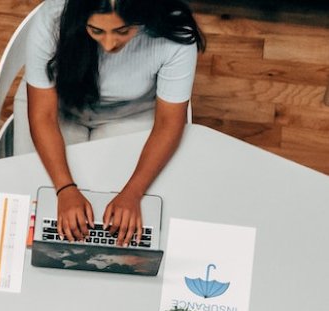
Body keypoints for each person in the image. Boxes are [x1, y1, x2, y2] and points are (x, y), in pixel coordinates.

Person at [22, 0, 205, 246]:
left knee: (123, 214)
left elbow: (168, 123)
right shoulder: (52, 19)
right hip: (61, 110)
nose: (108, 44)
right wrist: (65, 188)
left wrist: (133, 192)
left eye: (123, 31)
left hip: (130, 114)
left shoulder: (174, 34)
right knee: (38, 205)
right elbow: (42, 115)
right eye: (96, 30)